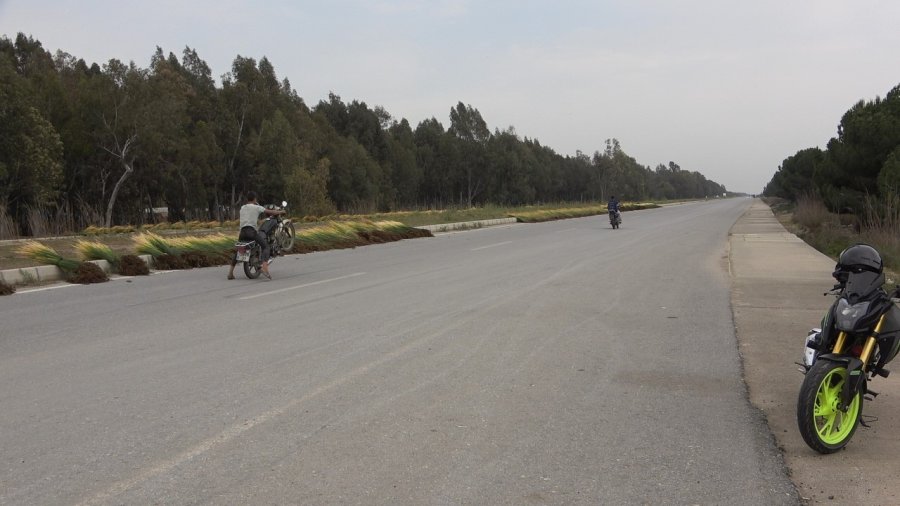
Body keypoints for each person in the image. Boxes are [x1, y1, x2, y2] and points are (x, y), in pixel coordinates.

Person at [227, 191, 285, 280]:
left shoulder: (242, 207)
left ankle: (230, 273)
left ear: (247, 199)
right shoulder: (257, 207)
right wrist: (281, 211)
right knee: (265, 247)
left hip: (242, 233)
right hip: (251, 232)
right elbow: (270, 212)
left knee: (239, 250)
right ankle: (264, 268)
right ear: (255, 199)